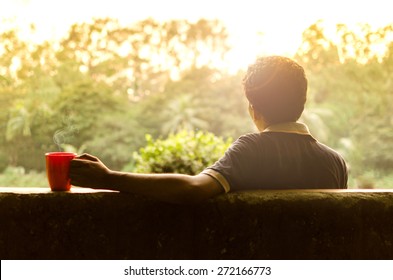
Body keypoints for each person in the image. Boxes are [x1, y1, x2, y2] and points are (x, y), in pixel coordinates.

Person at [70, 56, 348, 204]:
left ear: (254, 109)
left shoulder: (251, 150)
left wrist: (109, 178)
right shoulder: (336, 163)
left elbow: (192, 189)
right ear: (302, 101)